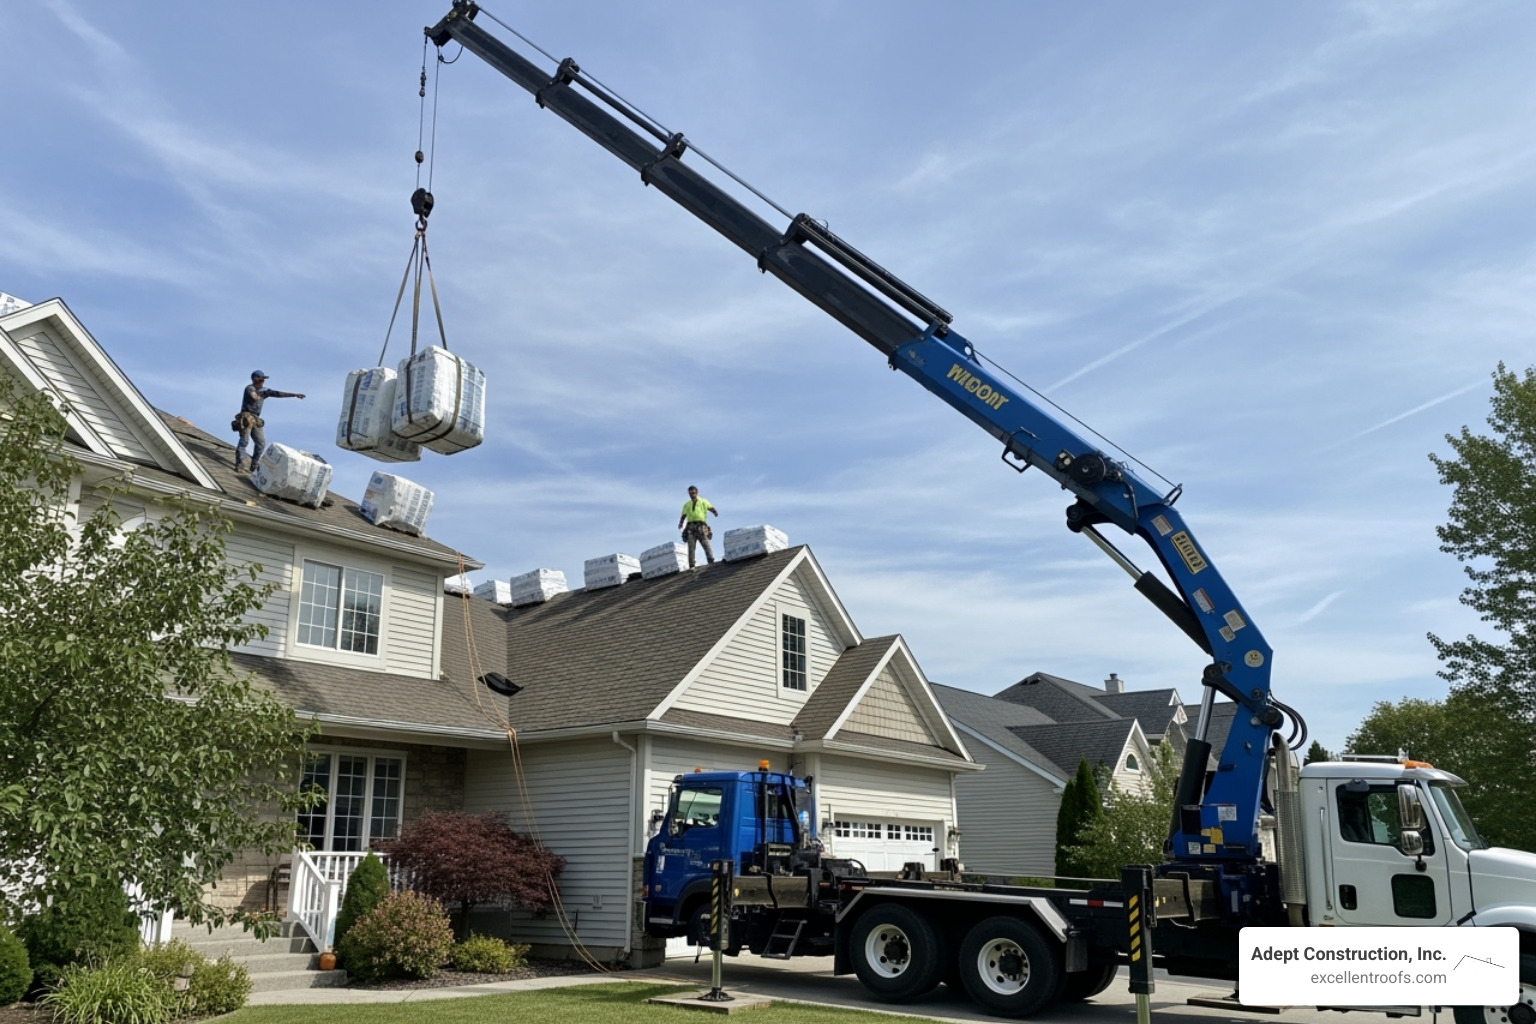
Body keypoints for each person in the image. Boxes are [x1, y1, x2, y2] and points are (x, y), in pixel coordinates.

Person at [233, 370, 305, 472]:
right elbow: (254, 396)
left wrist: (294, 395)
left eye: (263, 380)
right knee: (244, 441)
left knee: (261, 443)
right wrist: (261, 395)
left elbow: (278, 393)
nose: (263, 382)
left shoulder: (264, 390)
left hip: (256, 419)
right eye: (261, 379)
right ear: (255, 379)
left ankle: (254, 464)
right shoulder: (250, 388)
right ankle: (239, 464)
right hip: (246, 417)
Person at [677, 485, 720, 567]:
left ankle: (711, 560)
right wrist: (681, 523)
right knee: (691, 546)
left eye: (693, 493)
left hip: (701, 525)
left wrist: (714, 512)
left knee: (705, 543)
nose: (692, 494)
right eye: (690, 493)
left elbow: (710, 507)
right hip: (691, 527)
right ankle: (692, 565)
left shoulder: (703, 501)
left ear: (696, 492)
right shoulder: (687, 504)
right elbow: (684, 515)